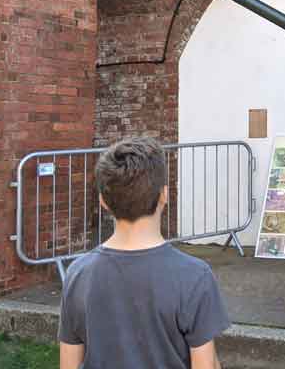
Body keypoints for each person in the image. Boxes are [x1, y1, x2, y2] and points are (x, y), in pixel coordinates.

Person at [59, 137, 230, 369]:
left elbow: (68, 364)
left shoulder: (77, 273)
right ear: (164, 195)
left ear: (103, 201)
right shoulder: (195, 276)